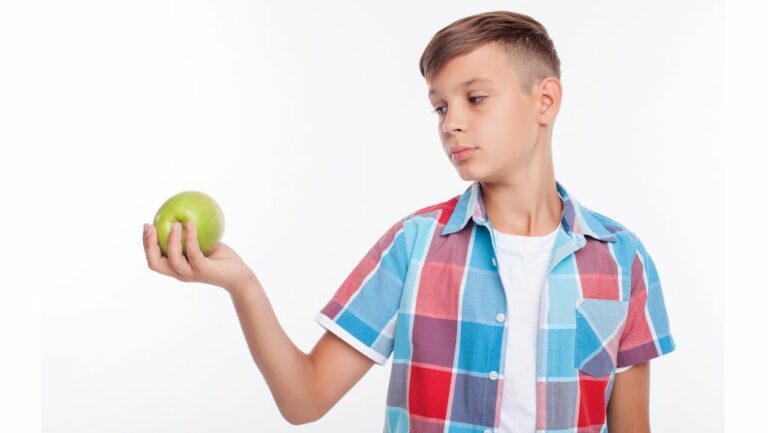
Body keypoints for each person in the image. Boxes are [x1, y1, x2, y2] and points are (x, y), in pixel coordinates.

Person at [142, 10, 675, 433]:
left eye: (475, 98)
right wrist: (243, 286)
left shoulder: (621, 258)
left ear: (545, 100)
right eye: (440, 107)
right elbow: (303, 401)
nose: (453, 123)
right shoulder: (414, 245)